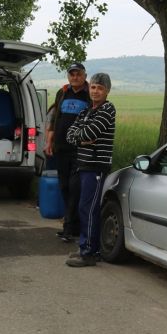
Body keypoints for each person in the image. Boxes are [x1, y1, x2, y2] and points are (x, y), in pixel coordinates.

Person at [64, 72, 116, 267]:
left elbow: (91, 132)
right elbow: (70, 134)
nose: (95, 91)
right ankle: (84, 246)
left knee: (89, 208)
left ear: (107, 91)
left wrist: (82, 136)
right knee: (82, 207)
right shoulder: (86, 111)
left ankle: (90, 253)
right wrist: (82, 139)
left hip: (95, 167)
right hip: (83, 165)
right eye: (93, 87)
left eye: (100, 88)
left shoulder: (108, 109)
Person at [43, 62, 90, 243]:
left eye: (78, 74)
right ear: (68, 76)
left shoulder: (89, 94)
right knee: (64, 186)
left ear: (85, 76)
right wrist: (49, 141)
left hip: (80, 150)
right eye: (72, 74)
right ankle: (73, 226)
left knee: (74, 188)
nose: (75, 77)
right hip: (61, 148)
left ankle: (69, 228)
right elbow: (55, 119)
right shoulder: (62, 93)